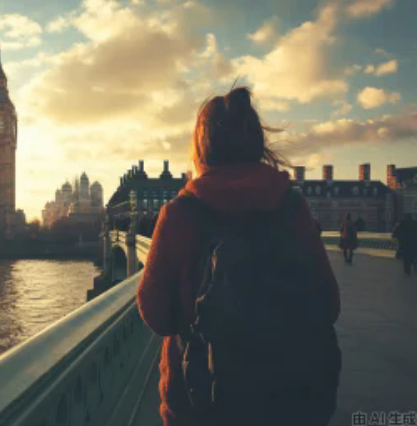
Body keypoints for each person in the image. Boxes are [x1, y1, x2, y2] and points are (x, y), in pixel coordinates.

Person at [137, 87, 341, 426]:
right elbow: (328, 305)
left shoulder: (180, 213)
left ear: (202, 147)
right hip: (290, 397)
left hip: (199, 401)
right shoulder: (291, 207)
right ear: (256, 143)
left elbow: (157, 316)